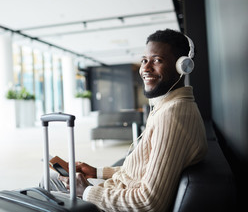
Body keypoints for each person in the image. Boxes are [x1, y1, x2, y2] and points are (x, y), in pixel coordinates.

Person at [49, 29, 208, 212]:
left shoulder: (173, 116)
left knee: (49, 181)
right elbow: (140, 172)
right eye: (144, 60)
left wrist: (86, 191)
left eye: (157, 60)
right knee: (55, 178)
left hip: (116, 202)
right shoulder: (167, 107)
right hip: (117, 190)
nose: (146, 68)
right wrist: (97, 172)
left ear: (182, 66)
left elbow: (148, 202)